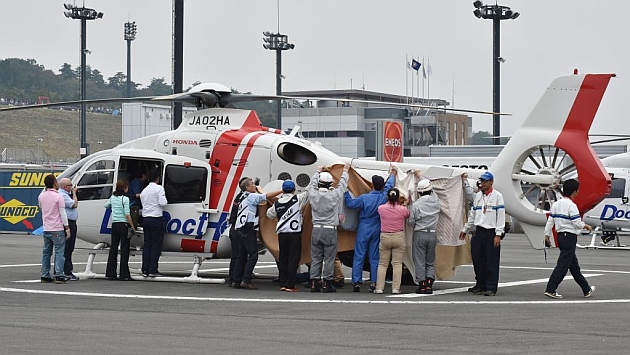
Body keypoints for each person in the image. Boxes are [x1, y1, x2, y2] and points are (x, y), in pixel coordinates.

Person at [344, 166, 396, 292]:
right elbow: (389, 186)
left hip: (364, 226)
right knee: (374, 256)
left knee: (359, 254)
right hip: (378, 226)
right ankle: (374, 281)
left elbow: (350, 204)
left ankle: (356, 281)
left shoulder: (364, 198)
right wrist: (393, 174)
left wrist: (345, 192)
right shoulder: (384, 196)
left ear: (372, 185)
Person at [543, 179, 595, 299]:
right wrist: (585, 226)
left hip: (561, 236)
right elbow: (576, 222)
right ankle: (551, 288)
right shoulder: (572, 205)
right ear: (574, 192)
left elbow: (550, 221)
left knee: (573, 266)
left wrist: (547, 235)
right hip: (569, 237)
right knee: (563, 265)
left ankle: (586, 289)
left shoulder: (556, 204)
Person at [459, 171, 505, 296]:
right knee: (477, 259)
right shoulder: (478, 196)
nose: (483, 183)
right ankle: (480, 284)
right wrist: (465, 229)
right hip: (478, 231)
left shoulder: (497, 196)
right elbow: (473, 215)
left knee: (491, 260)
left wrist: (498, 234)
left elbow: (500, 216)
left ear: (491, 182)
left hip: (491, 232)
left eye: (485, 181)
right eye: (482, 181)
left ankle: (491, 286)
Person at [232, 178, 283, 290]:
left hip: (239, 228)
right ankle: (246, 280)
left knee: (241, 255)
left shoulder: (241, 196)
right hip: (247, 229)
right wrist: (281, 191)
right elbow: (267, 196)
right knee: (253, 255)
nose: (254, 186)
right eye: (252, 185)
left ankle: (236, 280)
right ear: (247, 187)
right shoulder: (251, 197)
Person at [308, 163, 350, 292]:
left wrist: (317, 171)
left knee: (316, 257)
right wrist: (345, 171)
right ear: (330, 184)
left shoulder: (313, 194)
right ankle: (327, 283)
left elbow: (311, 185)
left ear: (319, 183)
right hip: (330, 229)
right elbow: (343, 185)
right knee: (329, 258)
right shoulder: (334, 195)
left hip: (316, 228)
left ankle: (314, 282)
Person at [266, 179, 312, 292]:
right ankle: (291, 284)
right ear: (293, 190)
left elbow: (269, 214)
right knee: (293, 259)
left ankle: (282, 282)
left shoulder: (277, 203)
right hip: (294, 234)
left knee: (283, 258)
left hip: (282, 234)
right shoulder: (297, 199)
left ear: (283, 190)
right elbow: (308, 191)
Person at [375, 187, 410, 294]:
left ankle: (379, 288)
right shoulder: (402, 210)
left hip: (385, 236)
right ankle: (395, 288)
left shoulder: (381, 208)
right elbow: (407, 214)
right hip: (398, 236)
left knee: (382, 264)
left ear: (387, 197)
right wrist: (405, 204)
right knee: (397, 263)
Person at [409, 178, 440, 294]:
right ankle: (429, 284)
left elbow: (411, 221)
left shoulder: (416, 204)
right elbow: (434, 193)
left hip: (420, 233)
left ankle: (421, 285)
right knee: (430, 261)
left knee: (419, 260)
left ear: (419, 192)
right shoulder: (436, 202)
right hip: (432, 234)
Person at [38, 174, 70, 284]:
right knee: (60, 252)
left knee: (46, 252)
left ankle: (45, 274)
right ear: (54, 183)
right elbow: (63, 213)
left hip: (46, 227)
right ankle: (59, 274)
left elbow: (42, 208)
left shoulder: (41, 196)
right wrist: (67, 228)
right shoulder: (58, 197)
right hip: (57, 228)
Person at [104, 180, 137, 281]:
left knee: (113, 248)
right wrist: (132, 226)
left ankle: (111, 273)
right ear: (125, 188)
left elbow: (106, 206)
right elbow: (127, 214)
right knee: (124, 249)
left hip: (114, 224)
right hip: (123, 225)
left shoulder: (113, 197)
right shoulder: (125, 199)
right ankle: (124, 274)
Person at [140, 170, 168, 277]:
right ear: (158, 178)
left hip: (145, 219)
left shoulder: (144, 191)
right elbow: (163, 203)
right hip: (156, 218)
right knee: (156, 245)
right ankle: (153, 269)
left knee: (147, 245)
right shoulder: (159, 188)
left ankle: (145, 269)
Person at [227, 178, 248, 287]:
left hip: (233, 227)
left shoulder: (239, 197)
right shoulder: (246, 197)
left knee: (235, 255)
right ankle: (236, 279)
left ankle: (233, 278)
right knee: (240, 255)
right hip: (238, 228)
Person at [58, 177, 79, 281]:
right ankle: (66, 270)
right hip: (69, 223)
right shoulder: (63, 195)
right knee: (68, 248)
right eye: (71, 185)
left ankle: (63, 270)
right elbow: (74, 204)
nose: (72, 187)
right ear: (65, 187)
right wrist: (74, 193)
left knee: (67, 248)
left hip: (70, 222)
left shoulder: (63, 194)